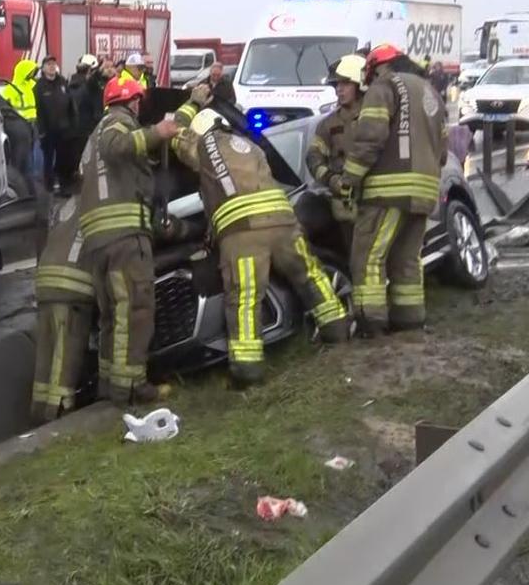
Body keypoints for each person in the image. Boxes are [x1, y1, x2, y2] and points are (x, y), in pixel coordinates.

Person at [171, 86, 349, 384]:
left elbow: (174, 131)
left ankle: (247, 372)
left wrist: (191, 104)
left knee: (244, 298)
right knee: (310, 275)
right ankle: (338, 332)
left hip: (243, 233)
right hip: (283, 223)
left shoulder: (201, 147)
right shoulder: (249, 145)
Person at [78, 76, 179, 405]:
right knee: (135, 309)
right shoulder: (117, 123)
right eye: (138, 103)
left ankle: (111, 385)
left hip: (99, 240)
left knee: (113, 316)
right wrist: (157, 133)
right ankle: (132, 388)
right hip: (123, 238)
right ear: (133, 102)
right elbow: (118, 146)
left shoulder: (93, 136)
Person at [343, 44, 448, 336]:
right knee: (406, 258)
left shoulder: (384, 85)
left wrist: (348, 180)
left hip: (387, 190)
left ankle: (370, 323)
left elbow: (370, 139)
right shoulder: (430, 91)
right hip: (425, 191)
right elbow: (443, 150)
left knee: (368, 256)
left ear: (379, 66)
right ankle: (410, 319)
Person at [31, 196, 94, 423]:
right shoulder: (97, 202)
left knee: (45, 353)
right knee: (65, 355)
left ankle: (38, 410)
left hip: (45, 283)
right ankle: (58, 412)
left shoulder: (67, 204)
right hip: (71, 287)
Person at [303, 54, 367, 254]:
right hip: (347, 208)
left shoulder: (375, 116)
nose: (339, 89)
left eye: (345, 83)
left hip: (376, 201)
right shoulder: (328, 124)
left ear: (359, 84)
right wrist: (331, 180)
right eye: (336, 84)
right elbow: (313, 156)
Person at [63, 55, 106, 191]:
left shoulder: (71, 84)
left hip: (75, 129)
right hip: (87, 128)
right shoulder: (88, 85)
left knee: (76, 159)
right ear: (90, 71)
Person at [34, 56, 72, 193]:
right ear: (43, 68)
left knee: (63, 159)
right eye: (48, 64)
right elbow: (38, 110)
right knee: (48, 160)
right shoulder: (39, 86)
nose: (52, 66)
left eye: (53, 64)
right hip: (48, 130)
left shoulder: (62, 82)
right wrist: (41, 130)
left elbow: (70, 103)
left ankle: (63, 186)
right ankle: (48, 188)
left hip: (64, 129)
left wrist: (72, 122)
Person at [0, 59, 42, 182]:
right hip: (19, 128)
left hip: (33, 125)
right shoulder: (10, 89)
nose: (33, 75)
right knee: (20, 157)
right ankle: (18, 181)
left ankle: (31, 181)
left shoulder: (32, 86)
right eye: (31, 72)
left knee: (33, 157)